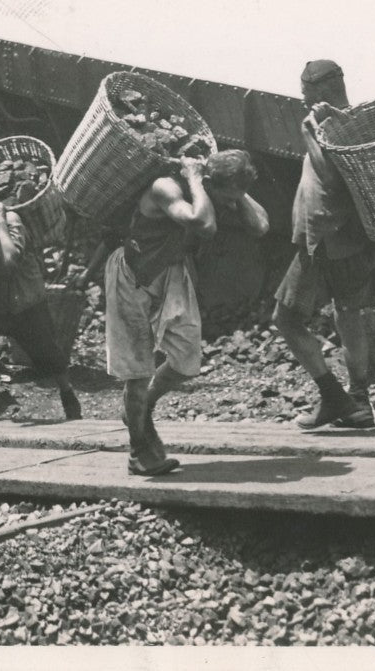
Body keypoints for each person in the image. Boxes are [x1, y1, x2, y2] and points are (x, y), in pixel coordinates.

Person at [105, 149, 267, 476]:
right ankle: (139, 453)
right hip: (133, 275)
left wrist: (238, 193)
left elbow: (260, 225)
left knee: (186, 360)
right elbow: (202, 223)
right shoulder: (166, 187)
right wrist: (196, 177)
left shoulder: (213, 190)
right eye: (227, 198)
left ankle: (141, 408)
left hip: (171, 274)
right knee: (138, 372)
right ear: (207, 182)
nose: (231, 205)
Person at [273, 60, 375, 430]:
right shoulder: (349, 121)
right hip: (348, 239)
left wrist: (308, 134)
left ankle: (335, 399)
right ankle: (359, 402)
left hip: (323, 238)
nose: (303, 102)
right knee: (347, 314)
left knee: (285, 318)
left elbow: (332, 180)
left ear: (319, 92)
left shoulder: (329, 126)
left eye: (305, 95)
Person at [0, 178, 84, 423]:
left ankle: (68, 395)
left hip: (22, 290)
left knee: (45, 347)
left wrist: (0, 221)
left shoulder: (9, 221)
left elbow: (10, 260)